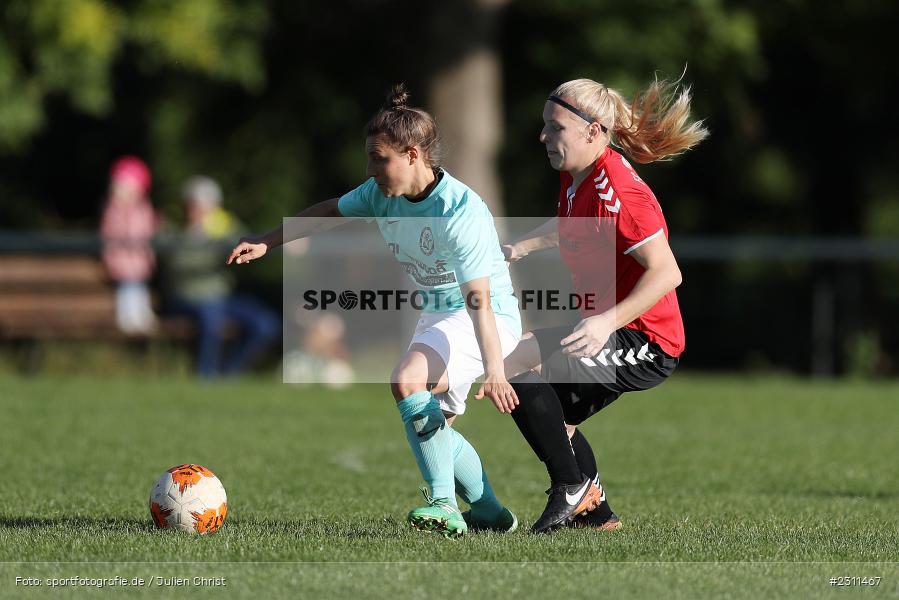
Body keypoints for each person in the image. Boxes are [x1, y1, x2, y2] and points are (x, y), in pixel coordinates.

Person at [227, 85, 521, 536]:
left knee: (406, 380)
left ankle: (443, 505)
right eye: (369, 158)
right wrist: (267, 241)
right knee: (436, 427)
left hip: (486, 317)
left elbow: (479, 298)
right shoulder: (381, 194)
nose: (371, 170)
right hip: (440, 314)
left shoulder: (460, 212)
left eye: (379, 159)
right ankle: (488, 512)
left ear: (413, 154)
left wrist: (495, 369)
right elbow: (328, 210)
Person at [502, 76, 708, 533]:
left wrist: (603, 324)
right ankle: (595, 515)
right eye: (544, 126)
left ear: (593, 131)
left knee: (524, 374)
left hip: (647, 341)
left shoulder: (621, 191)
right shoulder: (578, 176)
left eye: (555, 127)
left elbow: (667, 272)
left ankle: (569, 488)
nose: (543, 136)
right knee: (546, 407)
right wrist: (520, 247)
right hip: (611, 327)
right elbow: (576, 223)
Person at [161, 175, 280, 377]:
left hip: (221, 298)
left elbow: (246, 246)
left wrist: (228, 230)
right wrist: (206, 241)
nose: (200, 211)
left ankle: (228, 374)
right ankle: (205, 377)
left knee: (265, 324)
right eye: (196, 204)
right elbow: (177, 265)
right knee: (211, 316)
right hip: (187, 298)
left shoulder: (222, 229)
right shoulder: (173, 230)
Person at [100, 156, 159, 335]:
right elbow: (108, 235)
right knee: (127, 287)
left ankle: (141, 313)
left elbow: (149, 232)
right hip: (122, 258)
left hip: (138, 258)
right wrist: (110, 257)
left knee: (138, 286)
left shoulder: (144, 209)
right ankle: (127, 315)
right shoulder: (113, 210)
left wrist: (149, 254)